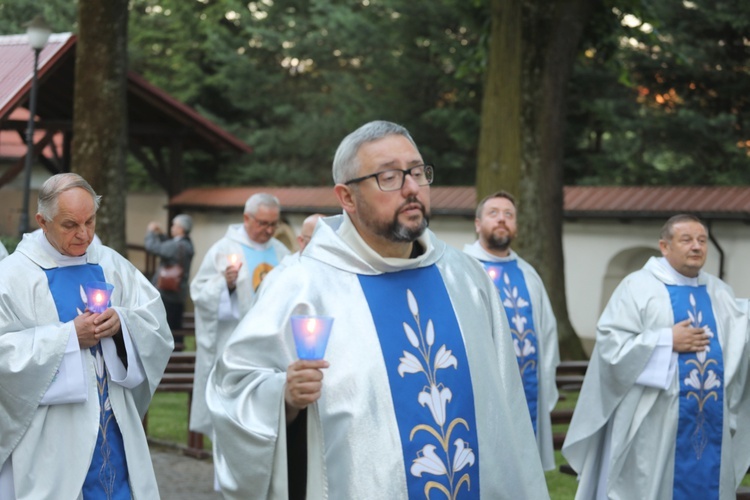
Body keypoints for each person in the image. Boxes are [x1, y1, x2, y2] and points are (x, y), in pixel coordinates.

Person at [206, 120, 548, 499]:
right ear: (347, 198)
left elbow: (505, 407)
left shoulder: (466, 279)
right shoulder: (303, 284)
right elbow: (233, 387)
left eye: (418, 172)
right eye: (389, 176)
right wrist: (283, 396)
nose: (412, 188)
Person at [0, 173, 173, 499]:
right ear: (43, 221)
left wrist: (122, 324)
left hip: (114, 427)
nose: (84, 234)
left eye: (90, 221)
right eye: (70, 225)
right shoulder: (13, 276)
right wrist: (66, 339)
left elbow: (155, 324)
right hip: (52, 439)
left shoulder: (109, 262)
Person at [562, 214, 750, 499]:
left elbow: (740, 334)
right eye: (686, 240)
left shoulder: (719, 293)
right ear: (664, 246)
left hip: (709, 424)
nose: (697, 247)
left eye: (701, 240)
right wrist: (665, 341)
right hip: (653, 425)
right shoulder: (637, 287)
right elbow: (611, 348)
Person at [189, 192, 290, 476]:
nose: (268, 230)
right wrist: (226, 285)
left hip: (271, 349)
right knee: (232, 413)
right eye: (262, 223)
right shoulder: (224, 248)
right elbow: (199, 292)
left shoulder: (282, 253)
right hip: (233, 347)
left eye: (273, 224)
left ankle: (265, 473)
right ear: (247, 218)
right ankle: (228, 478)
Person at [463, 190, 560, 471]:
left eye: (509, 215)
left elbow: (548, 335)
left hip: (527, 389)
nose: (502, 220)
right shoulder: (461, 269)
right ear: (478, 224)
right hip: (482, 390)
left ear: (516, 226)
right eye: (493, 213)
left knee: (523, 472)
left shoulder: (529, 275)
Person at [145, 214, 195, 349]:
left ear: (181, 228)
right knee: (175, 331)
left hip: (167, 295)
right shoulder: (187, 245)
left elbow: (153, 247)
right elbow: (169, 246)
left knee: (164, 331)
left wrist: (151, 232)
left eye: (174, 225)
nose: (172, 228)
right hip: (179, 295)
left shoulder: (176, 246)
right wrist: (161, 235)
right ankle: (179, 361)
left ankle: (169, 363)